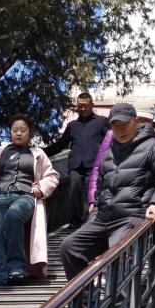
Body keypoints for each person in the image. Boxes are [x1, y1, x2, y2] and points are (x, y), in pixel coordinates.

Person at [59, 102, 155, 280]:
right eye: (115, 126)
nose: (120, 130)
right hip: (103, 218)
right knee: (69, 247)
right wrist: (94, 213)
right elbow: (100, 188)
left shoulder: (153, 147)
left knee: (119, 256)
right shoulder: (108, 153)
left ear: (135, 121)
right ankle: (85, 303)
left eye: (124, 125)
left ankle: (124, 306)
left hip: (131, 217)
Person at [0, 114, 60, 287]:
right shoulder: (1, 151)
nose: (19, 133)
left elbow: (52, 176)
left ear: (29, 133)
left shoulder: (38, 153)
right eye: (15, 130)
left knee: (14, 214)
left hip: (25, 196)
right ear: (10, 132)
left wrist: (40, 188)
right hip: (0, 196)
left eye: (23, 130)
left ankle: (17, 267)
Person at [43, 92, 109, 227]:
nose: (82, 109)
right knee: (74, 189)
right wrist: (41, 152)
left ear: (92, 105)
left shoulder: (101, 122)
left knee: (92, 192)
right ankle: (75, 221)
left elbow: (111, 140)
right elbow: (60, 145)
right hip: (75, 165)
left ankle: (89, 221)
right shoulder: (72, 125)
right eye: (80, 106)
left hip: (94, 165)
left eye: (85, 106)